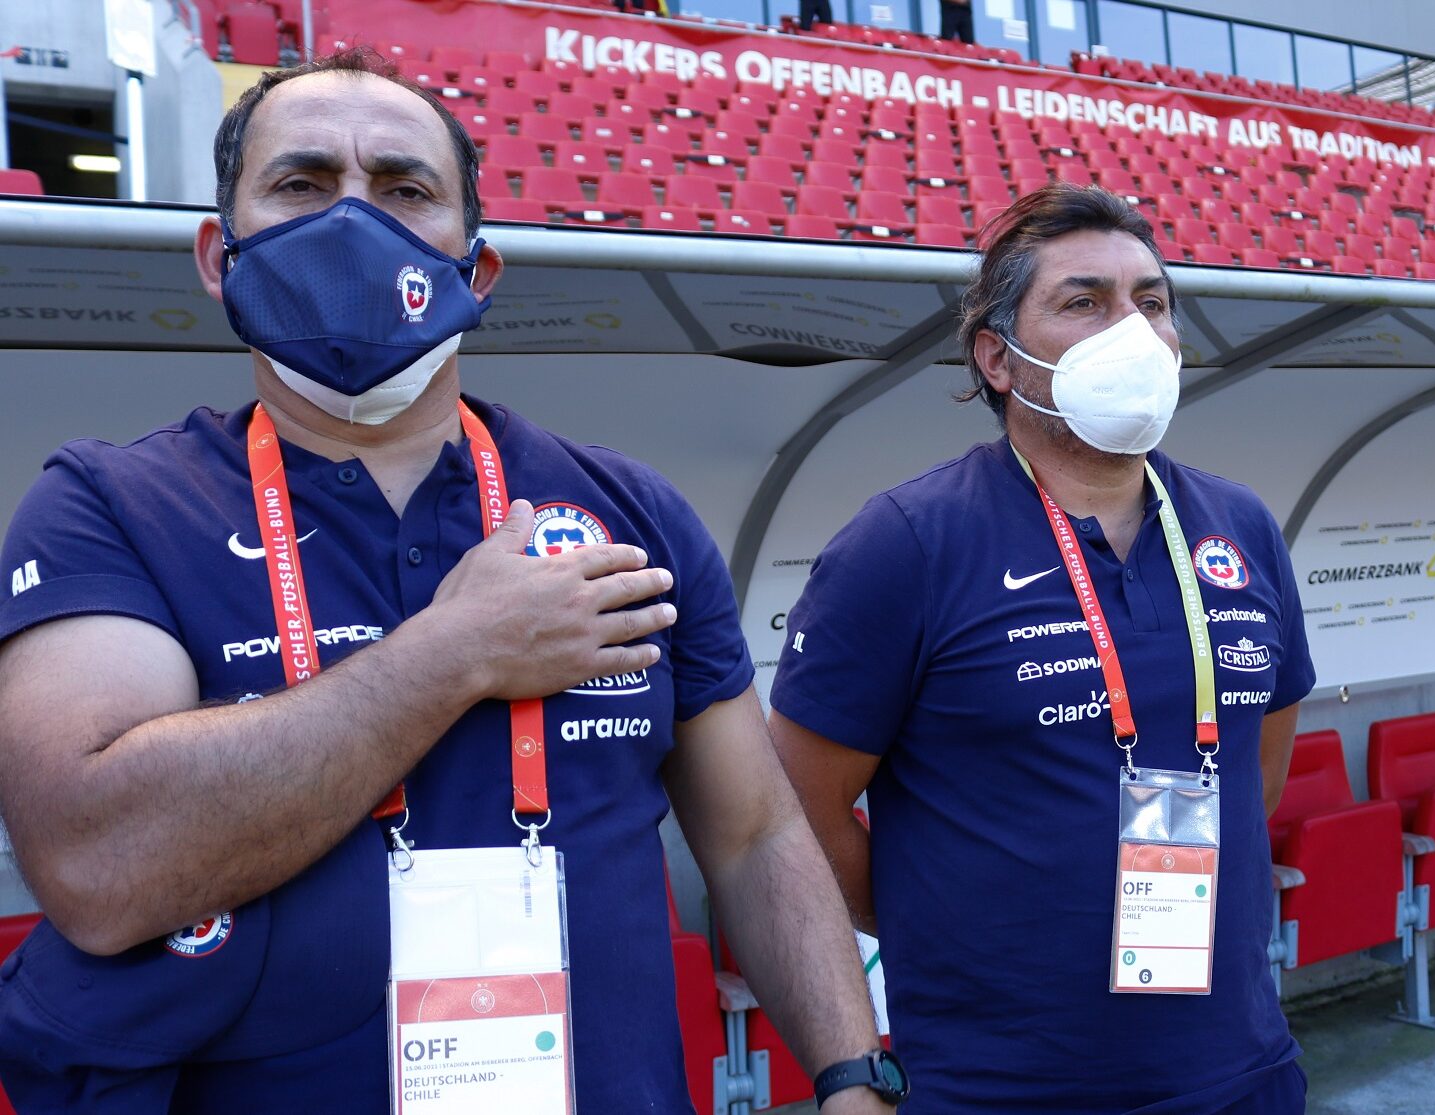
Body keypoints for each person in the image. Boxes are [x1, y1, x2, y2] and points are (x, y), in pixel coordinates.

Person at [0, 49, 899, 1115]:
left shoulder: (632, 510)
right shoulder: (109, 502)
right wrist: (454, 651)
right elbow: (101, 867)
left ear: (476, 270)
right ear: (219, 253)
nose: (351, 222)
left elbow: (753, 836)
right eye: (300, 184)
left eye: (403, 189)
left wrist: (852, 1077)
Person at [768, 183, 1314, 1114]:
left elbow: (1257, 767)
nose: (1133, 332)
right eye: (1084, 301)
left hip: (1242, 1073)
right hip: (1003, 1087)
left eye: (1152, 302)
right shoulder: (905, 541)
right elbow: (796, 815)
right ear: (998, 358)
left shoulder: (1242, 524)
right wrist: (941, 922)